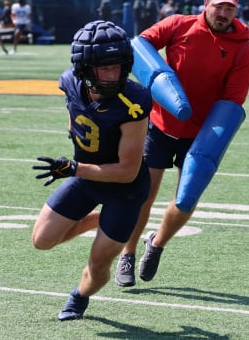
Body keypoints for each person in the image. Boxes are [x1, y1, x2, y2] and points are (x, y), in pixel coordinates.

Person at [113, 0, 249, 287]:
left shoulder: (243, 49)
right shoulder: (178, 24)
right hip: (160, 126)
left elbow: (233, 100)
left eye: (230, 9)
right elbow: (141, 46)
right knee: (143, 196)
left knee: (186, 200)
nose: (223, 14)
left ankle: (157, 244)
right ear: (206, 5)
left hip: (200, 136)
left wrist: (211, 140)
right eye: (219, 7)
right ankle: (127, 253)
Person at [31, 20, 152, 321]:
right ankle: (100, 222)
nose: (114, 75)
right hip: (86, 178)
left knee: (98, 265)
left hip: (125, 190)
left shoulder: (133, 104)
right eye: (105, 68)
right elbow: (75, 118)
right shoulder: (70, 83)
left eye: (118, 67)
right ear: (85, 68)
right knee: (42, 240)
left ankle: (79, 298)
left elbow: (127, 171)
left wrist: (74, 167)